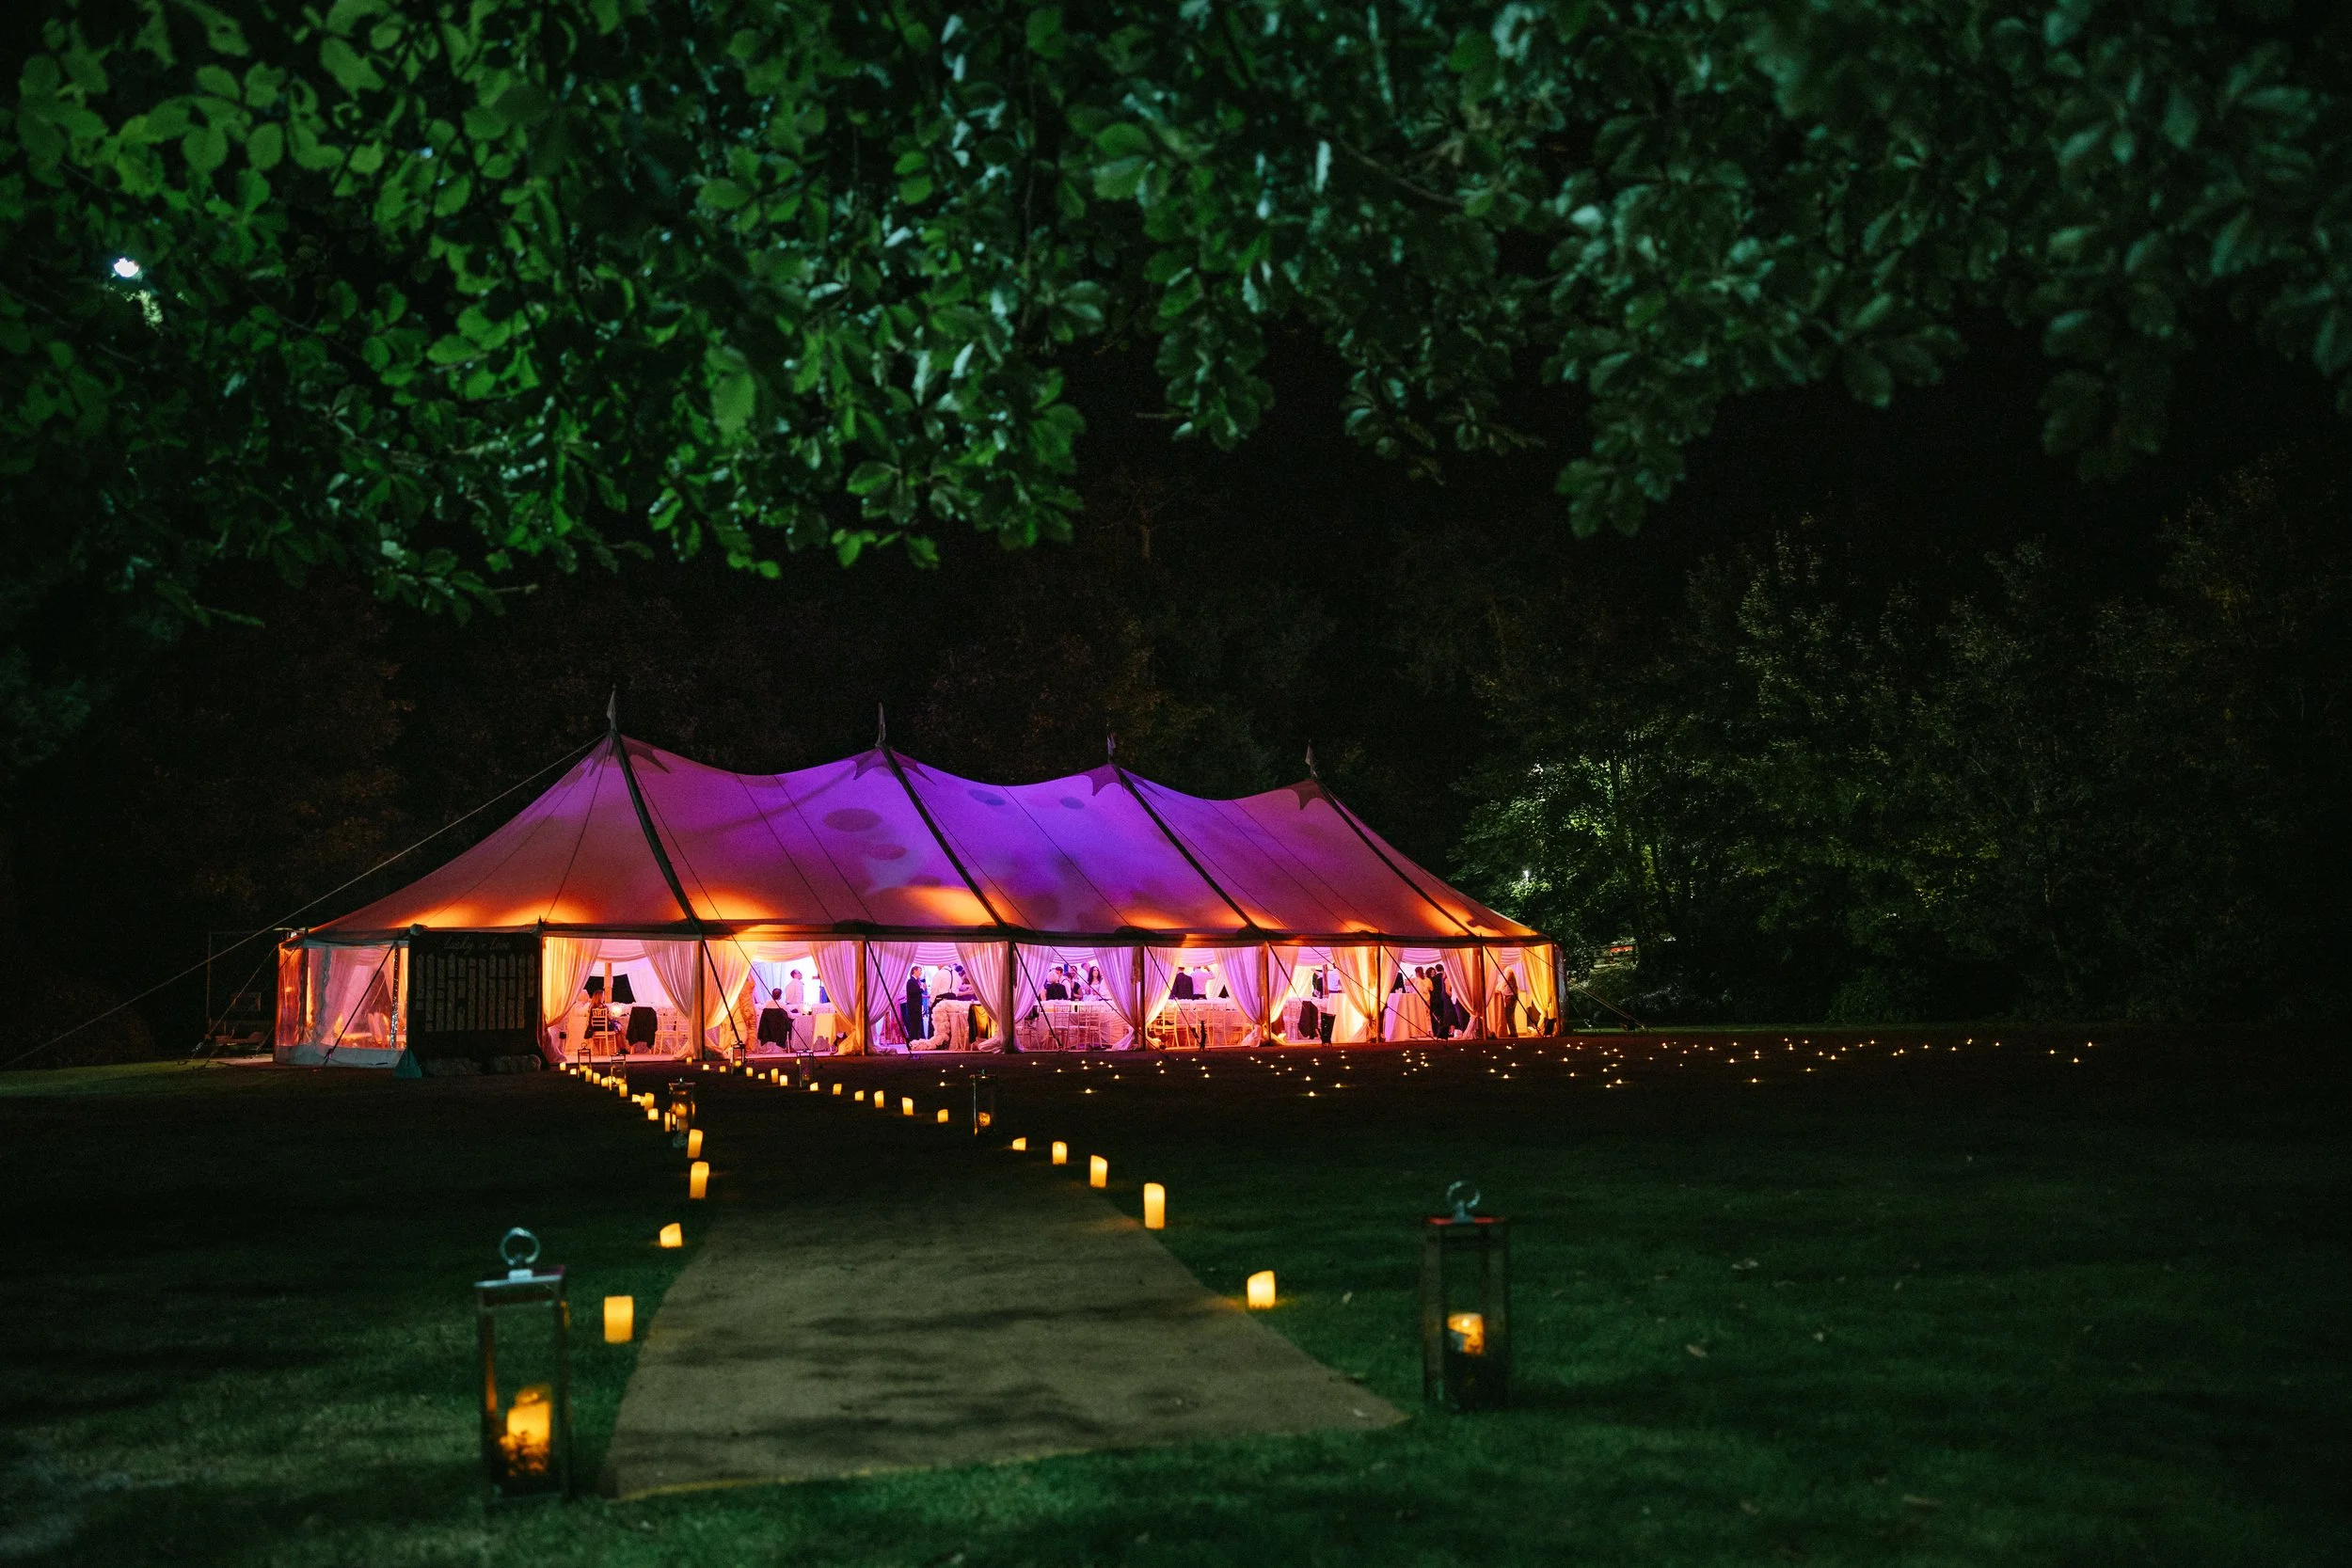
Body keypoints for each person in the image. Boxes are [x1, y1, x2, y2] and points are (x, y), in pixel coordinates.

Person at [758, 987, 795, 1052]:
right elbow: (791, 1016)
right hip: (780, 1029)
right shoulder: (782, 1005)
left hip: (768, 1029)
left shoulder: (767, 1004)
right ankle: (789, 1046)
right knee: (790, 1023)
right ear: (780, 996)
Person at [1429, 966, 1454, 1040]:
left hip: (1436, 999)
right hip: (1445, 998)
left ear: (1436, 970)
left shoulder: (1434, 979)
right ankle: (1448, 1031)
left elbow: (1432, 989)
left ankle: (1439, 1031)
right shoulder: (1445, 978)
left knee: (1440, 1016)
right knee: (1447, 1014)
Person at [1497, 966, 1520, 1037]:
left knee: (1509, 1015)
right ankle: (1513, 1032)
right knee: (1510, 1015)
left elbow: (1504, 982)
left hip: (1511, 996)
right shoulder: (1507, 972)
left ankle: (1513, 1033)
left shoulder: (1508, 971)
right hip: (1510, 995)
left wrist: (1498, 989)